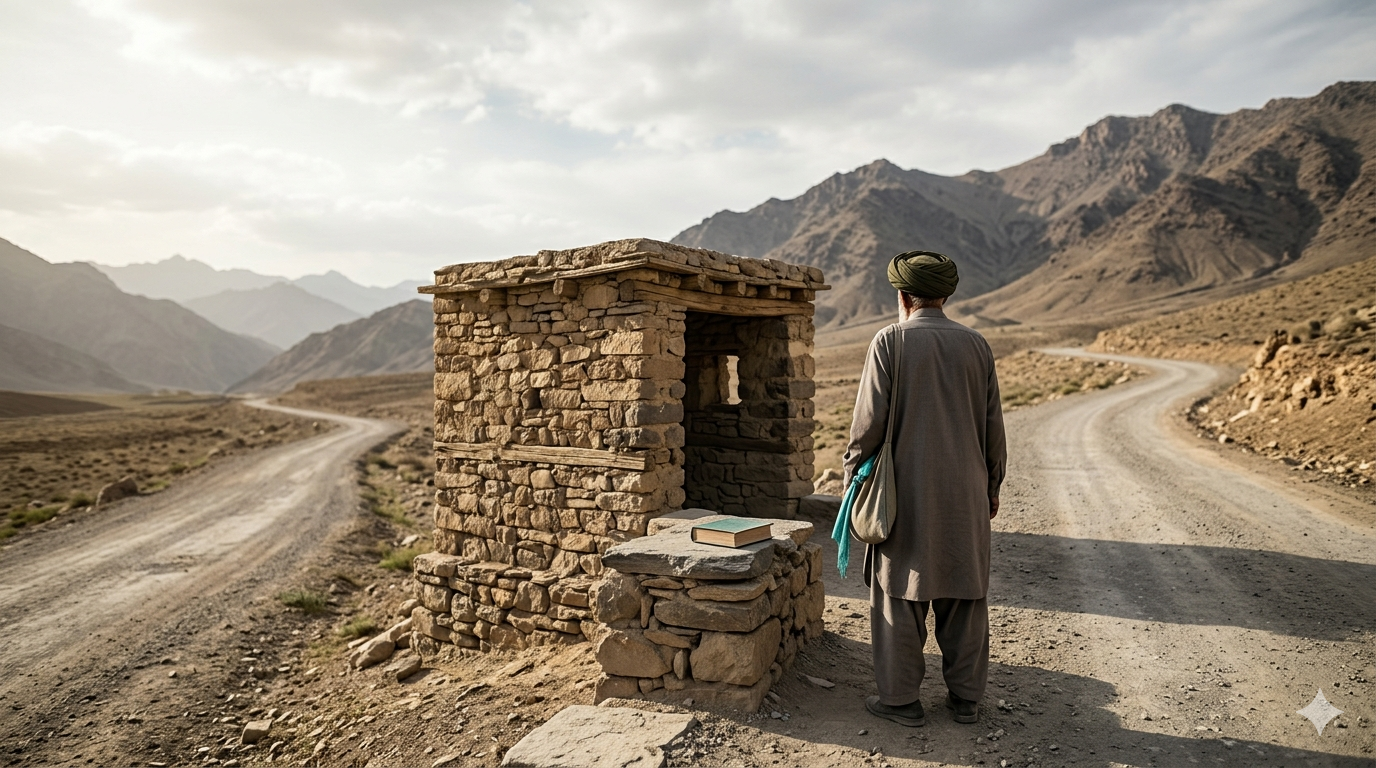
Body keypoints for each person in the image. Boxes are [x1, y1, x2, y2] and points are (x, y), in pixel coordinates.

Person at [842, 250, 1006, 726]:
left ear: (902, 296)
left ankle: (901, 702)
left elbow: (866, 427)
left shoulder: (889, 341)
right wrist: (991, 485)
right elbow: (994, 427)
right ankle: (965, 701)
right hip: (967, 493)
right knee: (965, 595)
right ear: (946, 294)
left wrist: (854, 479)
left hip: (904, 494)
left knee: (898, 592)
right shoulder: (977, 344)